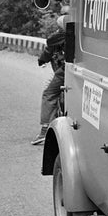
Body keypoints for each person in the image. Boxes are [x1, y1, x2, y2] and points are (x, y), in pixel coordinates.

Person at [33, 17, 66, 145]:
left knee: (49, 94)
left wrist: (41, 60)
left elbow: (48, 48)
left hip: (64, 70)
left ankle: (44, 130)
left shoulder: (59, 36)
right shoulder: (81, 30)